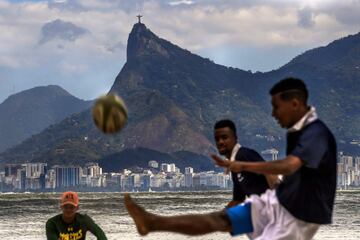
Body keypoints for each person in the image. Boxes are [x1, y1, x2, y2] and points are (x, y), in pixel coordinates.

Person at [124, 77, 337, 240]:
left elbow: (285, 168)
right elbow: (237, 199)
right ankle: (151, 223)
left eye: (276, 107)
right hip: (272, 206)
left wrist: (242, 166)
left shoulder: (314, 133)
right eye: (217, 139)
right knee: (219, 220)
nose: (273, 113)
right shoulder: (298, 131)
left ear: (295, 104)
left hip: (293, 213)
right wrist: (219, 219)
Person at [213, 119, 278, 207]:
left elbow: (269, 171)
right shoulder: (234, 167)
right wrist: (219, 216)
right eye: (217, 139)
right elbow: (237, 200)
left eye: (224, 137)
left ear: (235, 138)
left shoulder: (244, 154)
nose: (220, 142)